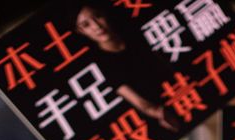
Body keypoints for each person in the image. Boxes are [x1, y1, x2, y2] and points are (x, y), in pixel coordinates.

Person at [71, 0, 179, 132]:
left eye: (98, 16)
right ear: (80, 31)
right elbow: (142, 104)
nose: (96, 26)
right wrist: (160, 113)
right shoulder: (103, 65)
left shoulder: (135, 32)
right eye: (86, 25)